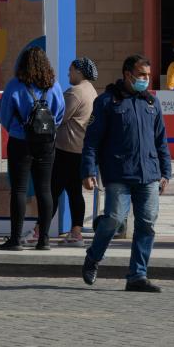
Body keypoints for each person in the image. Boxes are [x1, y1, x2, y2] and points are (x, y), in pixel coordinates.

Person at [81, 55, 171, 293]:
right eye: (141, 75)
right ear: (127, 74)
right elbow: (91, 141)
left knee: (147, 224)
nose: (146, 79)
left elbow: (161, 141)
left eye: (148, 75)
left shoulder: (152, 103)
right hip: (119, 172)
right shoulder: (107, 102)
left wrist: (166, 172)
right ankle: (93, 257)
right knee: (114, 219)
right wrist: (89, 170)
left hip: (149, 174)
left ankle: (137, 276)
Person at [0, 45, 66, 250]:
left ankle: (15, 239)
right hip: (46, 142)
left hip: (20, 141)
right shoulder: (54, 86)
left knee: (18, 189)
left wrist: (16, 130)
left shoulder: (14, 86)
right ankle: (44, 239)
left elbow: (5, 115)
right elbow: (59, 114)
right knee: (44, 189)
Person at [52, 58, 99, 246]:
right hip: (80, 149)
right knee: (74, 192)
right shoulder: (91, 90)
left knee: (52, 190)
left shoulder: (75, 93)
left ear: (80, 72)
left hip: (66, 149)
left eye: (70, 70)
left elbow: (59, 117)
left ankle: (39, 230)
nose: (68, 74)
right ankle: (76, 232)